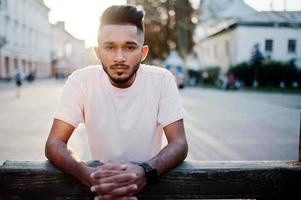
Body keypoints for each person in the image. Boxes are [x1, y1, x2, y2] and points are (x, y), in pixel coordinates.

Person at [45, 5, 188, 200]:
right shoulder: (80, 81)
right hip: (101, 190)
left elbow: (179, 143)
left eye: (129, 47)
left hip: (148, 190)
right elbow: (54, 143)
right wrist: (87, 175)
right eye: (110, 47)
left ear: (143, 52)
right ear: (97, 52)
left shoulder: (162, 80)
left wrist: (145, 172)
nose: (119, 57)